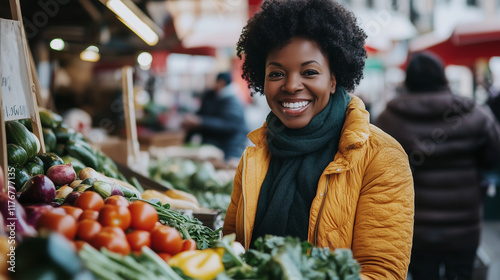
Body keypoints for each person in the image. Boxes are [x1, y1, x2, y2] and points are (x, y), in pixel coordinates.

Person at [222, 1, 415, 279]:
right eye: (276, 73)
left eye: (309, 72)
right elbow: (232, 251)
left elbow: (381, 272)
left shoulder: (381, 157)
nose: (290, 86)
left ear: (334, 79)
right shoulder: (254, 157)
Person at [375, 52, 500, 280]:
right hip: (465, 226)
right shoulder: (476, 115)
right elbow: (493, 159)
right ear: (443, 77)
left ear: (408, 79)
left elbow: (380, 172)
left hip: (414, 227)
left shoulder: (387, 119)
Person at [181, 72, 249, 162]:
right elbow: (203, 114)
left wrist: (200, 122)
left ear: (221, 82)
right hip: (213, 147)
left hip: (228, 150)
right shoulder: (212, 96)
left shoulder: (232, 102)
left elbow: (228, 125)